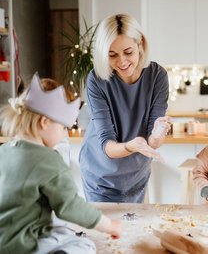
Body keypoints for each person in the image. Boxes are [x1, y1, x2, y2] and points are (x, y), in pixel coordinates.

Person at [0, 74, 121, 254]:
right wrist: (108, 225)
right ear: (45, 122)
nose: (64, 134)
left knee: (60, 228)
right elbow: (70, 206)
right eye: (63, 127)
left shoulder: (4, 151)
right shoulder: (47, 160)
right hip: (25, 245)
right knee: (84, 245)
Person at [79, 13, 171, 203]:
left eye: (128, 52)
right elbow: (107, 144)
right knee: (105, 232)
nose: (121, 62)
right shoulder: (97, 80)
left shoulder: (157, 76)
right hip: (100, 177)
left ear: (140, 44)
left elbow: (152, 142)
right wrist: (131, 145)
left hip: (136, 175)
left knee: (134, 230)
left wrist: (157, 133)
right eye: (112, 55)